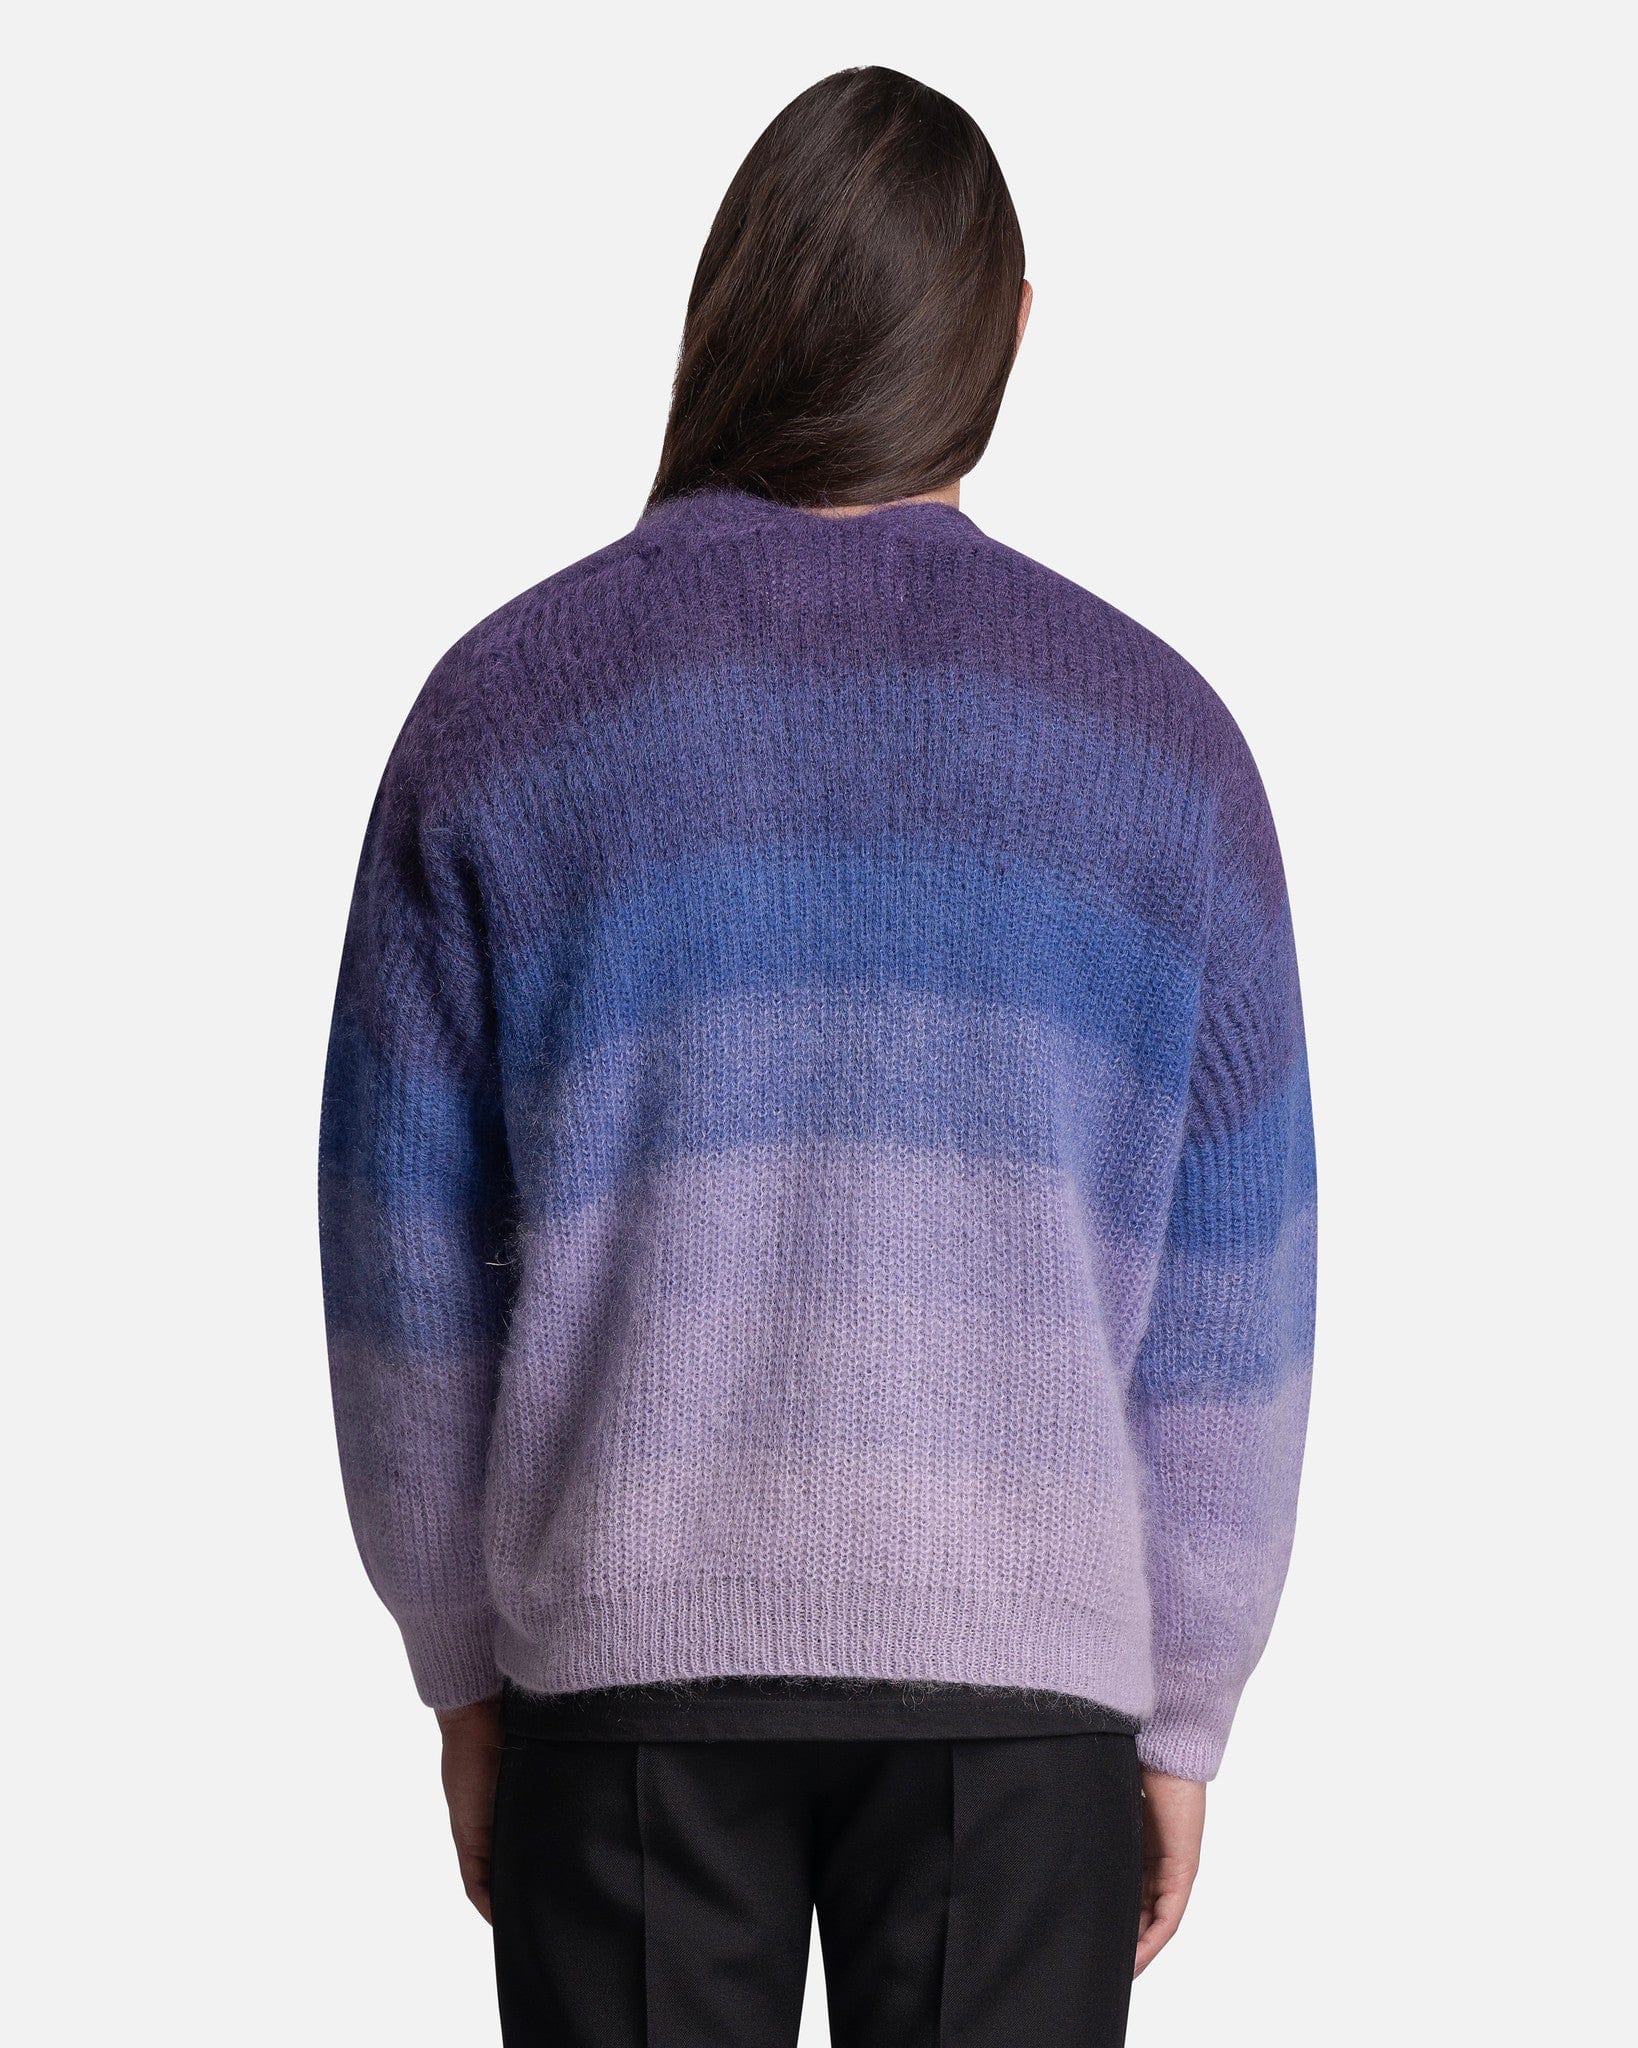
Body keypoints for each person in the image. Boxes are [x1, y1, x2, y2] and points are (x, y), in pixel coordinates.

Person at [319, 64, 1316, 2048]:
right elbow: (1235, 1302)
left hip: (622, 1672)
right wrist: (1185, 1702)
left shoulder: (506, 710)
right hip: (1022, 1692)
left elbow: (400, 1264)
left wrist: (460, 1664)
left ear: (736, 309)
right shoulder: (1162, 745)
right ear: (1003, 329)